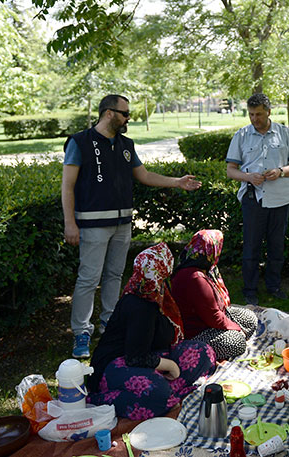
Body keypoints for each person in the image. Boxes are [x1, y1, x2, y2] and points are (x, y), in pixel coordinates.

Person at [62, 94, 202, 358]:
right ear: (108, 113)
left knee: (115, 274)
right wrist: (70, 223)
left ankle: (109, 322)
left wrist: (177, 181)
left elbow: (144, 175)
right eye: (125, 113)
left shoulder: (126, 144)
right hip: (92, 224)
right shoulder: (79, 142)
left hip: (122, 224)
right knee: (89, 278)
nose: (129, 118)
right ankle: (81, 332)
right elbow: (67, 185)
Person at [87, 243, 216, 420]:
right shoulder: (141, 305)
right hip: (118, 363)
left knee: (204, 352)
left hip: (152, 354)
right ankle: (101, 399)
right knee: (158, 395)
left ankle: (166, 388)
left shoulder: (157, 291)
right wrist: (170, 366)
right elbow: (135, 357)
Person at [225, 93, 289, 306]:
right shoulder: (241, 136)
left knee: (276, 246)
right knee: (251, 247)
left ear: (268, 112)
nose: (254, 119)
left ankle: (274, 286)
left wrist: (281, 171)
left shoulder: (285, 134)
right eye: (251, 114)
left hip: (280, 198)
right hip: (253, 199)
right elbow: (230, 170)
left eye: (259, 114)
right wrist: (248, 176)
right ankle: (249, 290)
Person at [171, 229, 258, 361]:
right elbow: (213, 317)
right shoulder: (195, 278)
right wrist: (237, 329)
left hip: (209, 319)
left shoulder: (203, 266)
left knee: (250, 317)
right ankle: (202, 353)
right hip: (197, 331)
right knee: (237, 342)